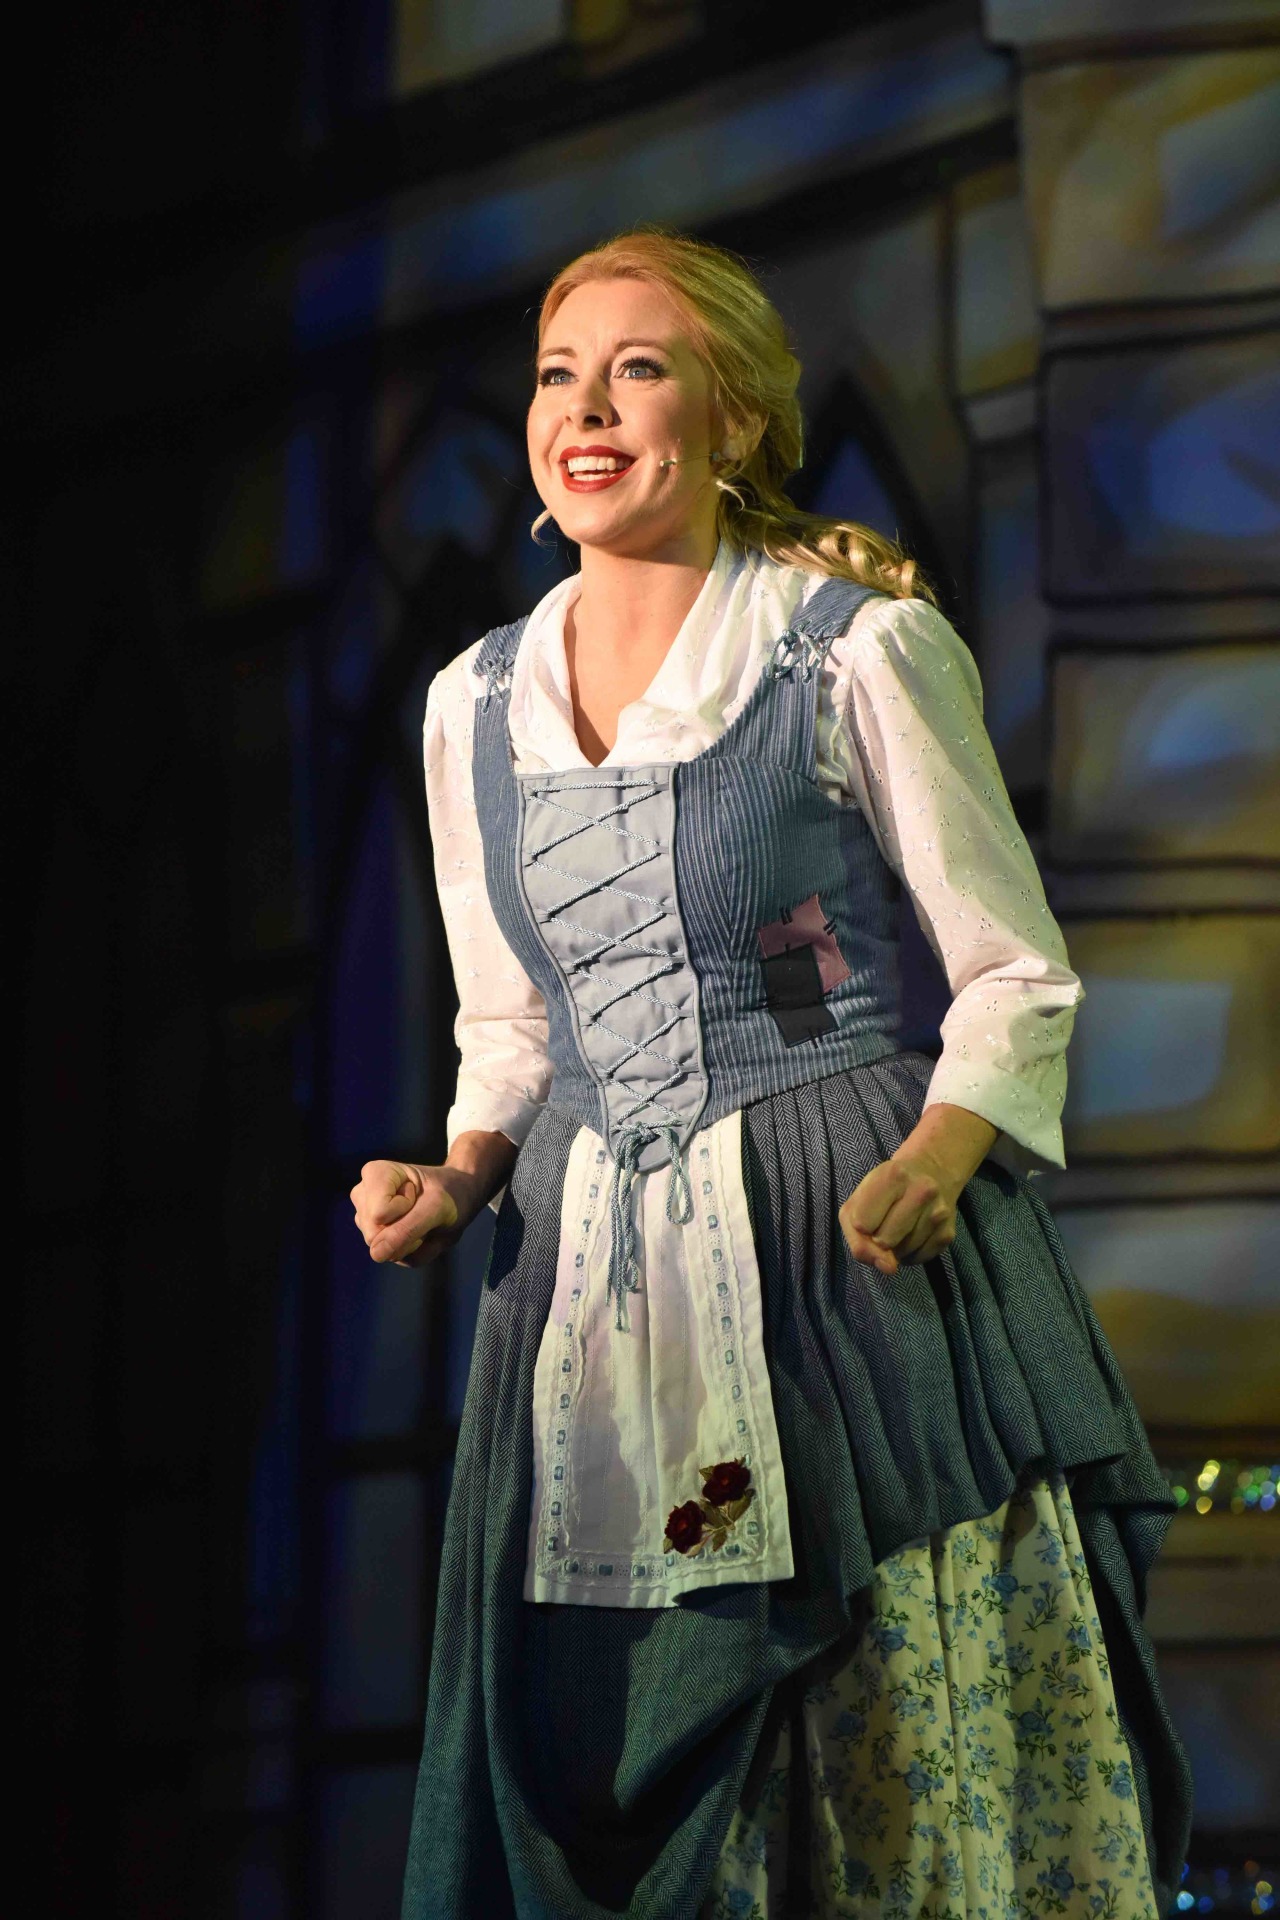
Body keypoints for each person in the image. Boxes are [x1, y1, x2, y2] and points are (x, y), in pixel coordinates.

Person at [350, 227, 1192, 1920]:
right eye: (559, 374)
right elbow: (511, 1023)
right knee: (592, 1740)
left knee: (849, 1727)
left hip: (828, 1248)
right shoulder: (474, 702)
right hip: (586, 1283)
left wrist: (941, 1153)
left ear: (733, 420)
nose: (586, 409)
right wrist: (459, 1173)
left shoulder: (849, 651)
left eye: (638, 370)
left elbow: (1012, 966)